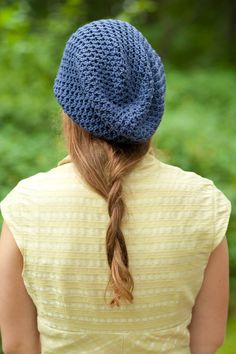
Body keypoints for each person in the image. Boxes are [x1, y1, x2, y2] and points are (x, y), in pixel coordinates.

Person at [0, 19, 232, 354]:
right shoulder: (202, 203)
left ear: (68, 107)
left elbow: (19, 344)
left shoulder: (26, 206)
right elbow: (208, 341)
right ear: (152, 107)